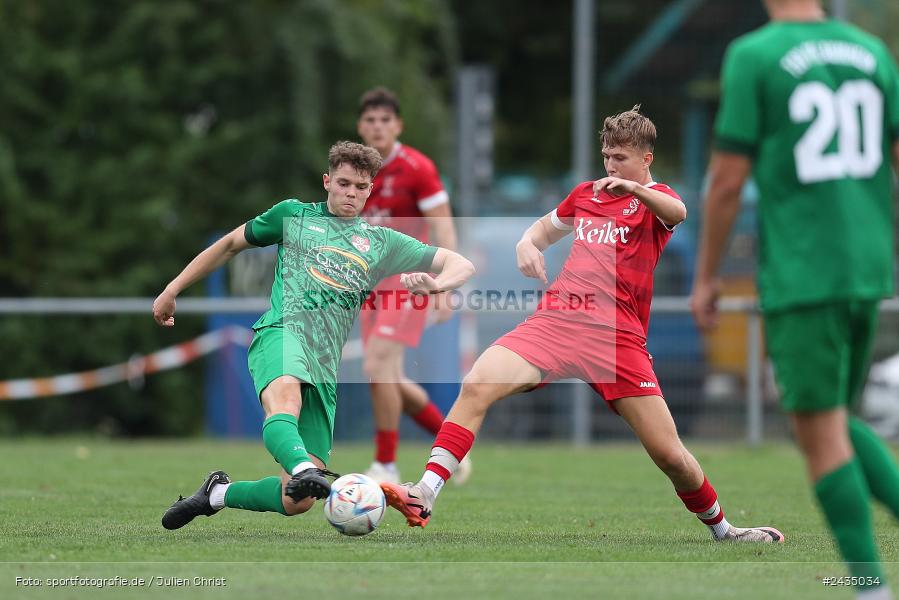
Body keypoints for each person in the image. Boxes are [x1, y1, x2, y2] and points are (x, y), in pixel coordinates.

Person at [381, 106, 783, 544]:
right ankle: (425, 492)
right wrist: (526, 244)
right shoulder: (587, 194)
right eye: (607, 156)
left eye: (621, 158)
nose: (611, 165)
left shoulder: (655, 200)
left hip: (616, 340)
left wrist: (635, 188)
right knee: (478, 383)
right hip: (557, 322)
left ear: (646, 158)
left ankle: (724, 530)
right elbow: (543, 229)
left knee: (670, 455)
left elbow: (679, 211)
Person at [152, 141, 475, 529]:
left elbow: (460, 263)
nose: (351, 193)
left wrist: (438, 285)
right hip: (282, 333)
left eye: (360, 186)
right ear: (327, 181)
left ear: (370, 190)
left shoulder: (382, 243)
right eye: (343, 183)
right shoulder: (293, 215)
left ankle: (217, 494)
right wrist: (172, 289)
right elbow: (230, 244)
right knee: (285, 403)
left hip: (324, 365)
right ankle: (303, 466)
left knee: (297, 500)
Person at [691, 1, 899, 596]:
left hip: (805, 269)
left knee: (819, 431)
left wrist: (706, 276)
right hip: (867, 268)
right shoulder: (872, 52)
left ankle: (868, 587)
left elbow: (727, 180)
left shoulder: (755, 55)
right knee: (832, 420)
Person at [356, 87, 471, 485]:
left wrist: (444, 287)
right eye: (370, 120)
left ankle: (385, 464)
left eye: (385, 120)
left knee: (376, 366)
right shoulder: (356, 170)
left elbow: (444, 226)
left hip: (410, 281)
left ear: (398, 126)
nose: (377, 127)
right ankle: (452, 446)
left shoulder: (417, 168)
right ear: (360, 126)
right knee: (386, 376)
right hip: (370, 285)